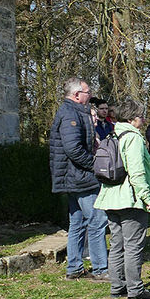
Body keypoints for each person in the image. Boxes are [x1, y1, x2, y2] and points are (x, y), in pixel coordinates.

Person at [94, 98, 150, 299]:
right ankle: (135, 290)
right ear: (132, 118)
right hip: (129, 199)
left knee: (117, 244)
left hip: (110, 198)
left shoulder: (114, 133)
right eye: (141, 115)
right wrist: (147, 197)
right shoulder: (133, 137)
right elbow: (137, 172)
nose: (143, 119)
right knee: (133, 246)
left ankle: (117, 286)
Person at [49, 77, 109, 281]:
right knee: (97, 220)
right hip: (80, 178)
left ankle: (74, 267)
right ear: (76, 95)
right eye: (87, 92)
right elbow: (73, 148)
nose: (90, 95)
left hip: (75, 177)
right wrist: (95, 165)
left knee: (78, 222)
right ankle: (101, 268)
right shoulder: (70, 114)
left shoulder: (74, 112)